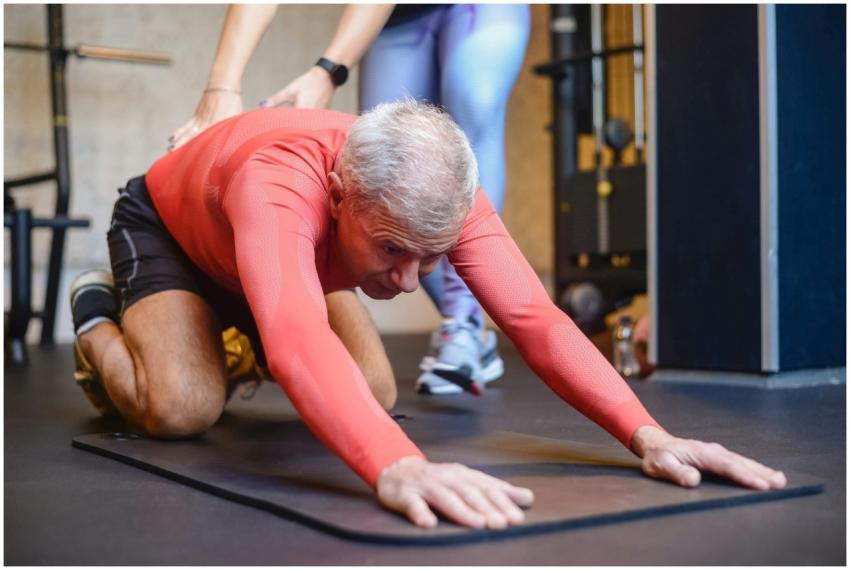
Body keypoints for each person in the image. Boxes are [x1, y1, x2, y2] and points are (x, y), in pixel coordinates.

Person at [72, 101, 787, 530]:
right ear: (338, 193)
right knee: (180, 408)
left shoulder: (439, 194)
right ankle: (100, 313)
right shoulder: (281, 183)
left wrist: (649, 435)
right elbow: (296, 338)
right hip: (175, 231)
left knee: (375, 395)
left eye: (430, 256)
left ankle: (219, 333)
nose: (409, 282)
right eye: (392, 251)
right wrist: (398, 468)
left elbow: (534, 318)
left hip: (279, 258)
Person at [170, 4, 531, 395]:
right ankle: (465, 322)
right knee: (391, 182)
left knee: (473, 97)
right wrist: (223, 87)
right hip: (398, 20)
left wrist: (328, 70)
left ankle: (462, 325)